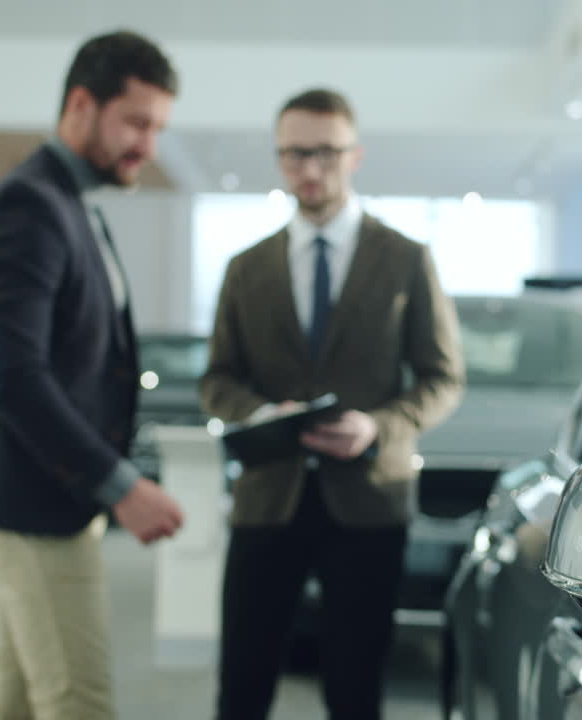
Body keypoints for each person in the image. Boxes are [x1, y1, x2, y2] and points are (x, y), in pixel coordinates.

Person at [0, 30, 185, 720]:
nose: (149, 146)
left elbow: (13, 366)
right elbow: (11, 376)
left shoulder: (69, 205)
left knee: (12, 702)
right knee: (79, 703)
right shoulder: (29, 210)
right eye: (136, 122)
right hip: (35, 507)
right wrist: (122, 485)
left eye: (158, 127)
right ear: (80, 105)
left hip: (24, 495)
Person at [201, 87, 465, 720]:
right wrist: (262, 416)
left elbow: (442, 378)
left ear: (355, 155)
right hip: (268, 496)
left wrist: (375, 426)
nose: (310, 170)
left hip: (369, 500)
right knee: (244, 680)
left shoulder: (405, 259)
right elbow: (217, 379)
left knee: (354, 686)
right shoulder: (246, 267)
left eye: (325, 153)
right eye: (294, 155)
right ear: (279, 157)